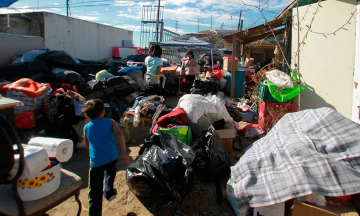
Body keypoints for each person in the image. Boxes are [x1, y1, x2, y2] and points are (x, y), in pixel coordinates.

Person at [82, 99, 130, 216]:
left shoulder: (87, 127)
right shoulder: (110, 121)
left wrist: (91, 153)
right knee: (110, 171)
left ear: (86, 114)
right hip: (112, 157)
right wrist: (124, 153)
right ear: (104, 111)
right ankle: (108, 192)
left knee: (94, 191)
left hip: (96, 162)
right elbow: (119, 134)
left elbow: (86, 145)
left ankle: (95, 213)